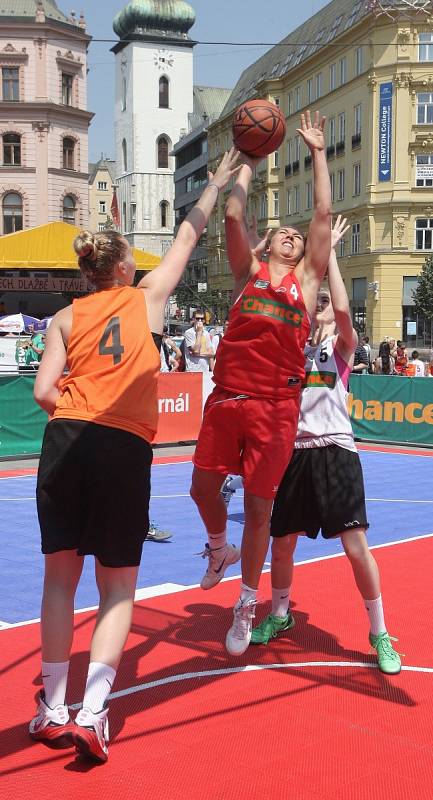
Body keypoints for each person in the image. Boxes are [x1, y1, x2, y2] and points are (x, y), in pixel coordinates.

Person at [29, 148, 241, 762]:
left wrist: (78, 410)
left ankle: (52, 708)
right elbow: (186, 234)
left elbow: (44, 391)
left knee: (58, 582)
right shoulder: (144, 299)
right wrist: (214, 185)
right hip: (122, 442)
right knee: (118, 586)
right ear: (122, 269)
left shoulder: (64, 319)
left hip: (66, 437)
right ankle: (95, 712)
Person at [190, 110, 332, 656]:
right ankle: (218, 547)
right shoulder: (248, 273)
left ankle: (247, 601)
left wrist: (318, 152)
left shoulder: (306, 281)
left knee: (259, 510)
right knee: (203, 489)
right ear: (267, 244)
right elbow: (232, 212)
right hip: (227, 399)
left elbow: (322, 212)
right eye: (285, 235)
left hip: (276, 409)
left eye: (299, 238)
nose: (295, 238)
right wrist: (248, 162)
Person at [247, 217, 401, 675]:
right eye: (317, 304)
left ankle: (379, 632)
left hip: (336, 451)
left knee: (356, 547)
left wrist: (329, 252)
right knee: (282, 545)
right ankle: (280, 613)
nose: (322, 310)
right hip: (294, 454)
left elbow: (344, 311)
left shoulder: (342, 348)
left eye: (326, 306)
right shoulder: (289, 347)